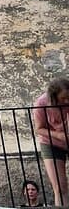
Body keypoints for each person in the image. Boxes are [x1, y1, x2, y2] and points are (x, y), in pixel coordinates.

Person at [33, 77, 69, 207]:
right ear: (54, 96)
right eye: (63, 98)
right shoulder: (41, 103)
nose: (67, 101)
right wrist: (59, 135)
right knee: (60, 186)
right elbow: (39, 129)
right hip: (51, 142)